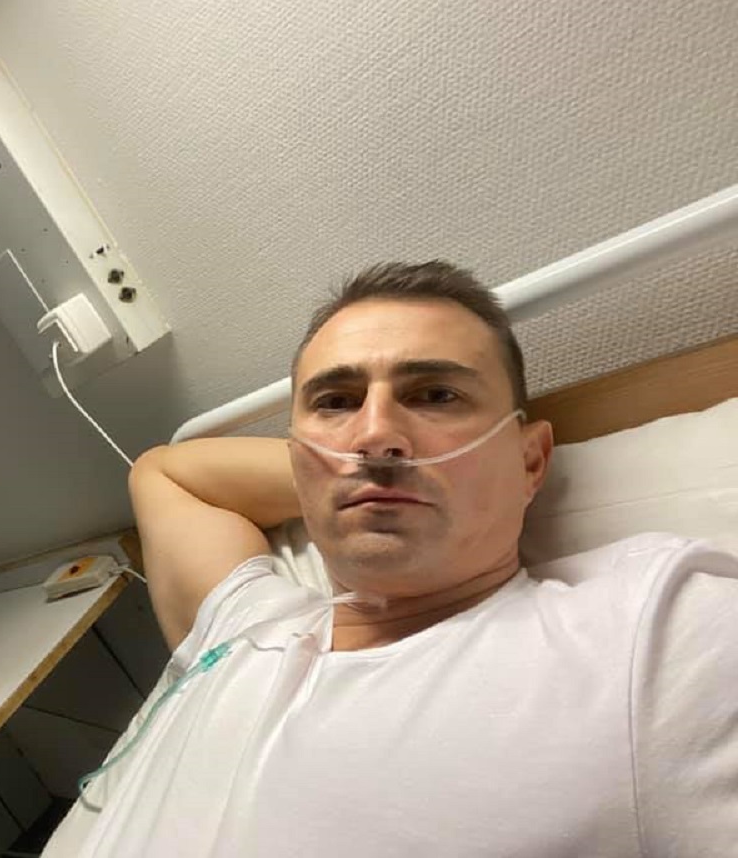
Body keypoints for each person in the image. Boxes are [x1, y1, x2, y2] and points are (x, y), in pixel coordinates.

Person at [52, 261, 738, 857]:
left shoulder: (650, 634)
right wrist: (345, 476)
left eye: (435, 394)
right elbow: (164, 473)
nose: (376, 431)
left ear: (531, 461)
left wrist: (384, 471)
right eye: (336, 402)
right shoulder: (245, 620)